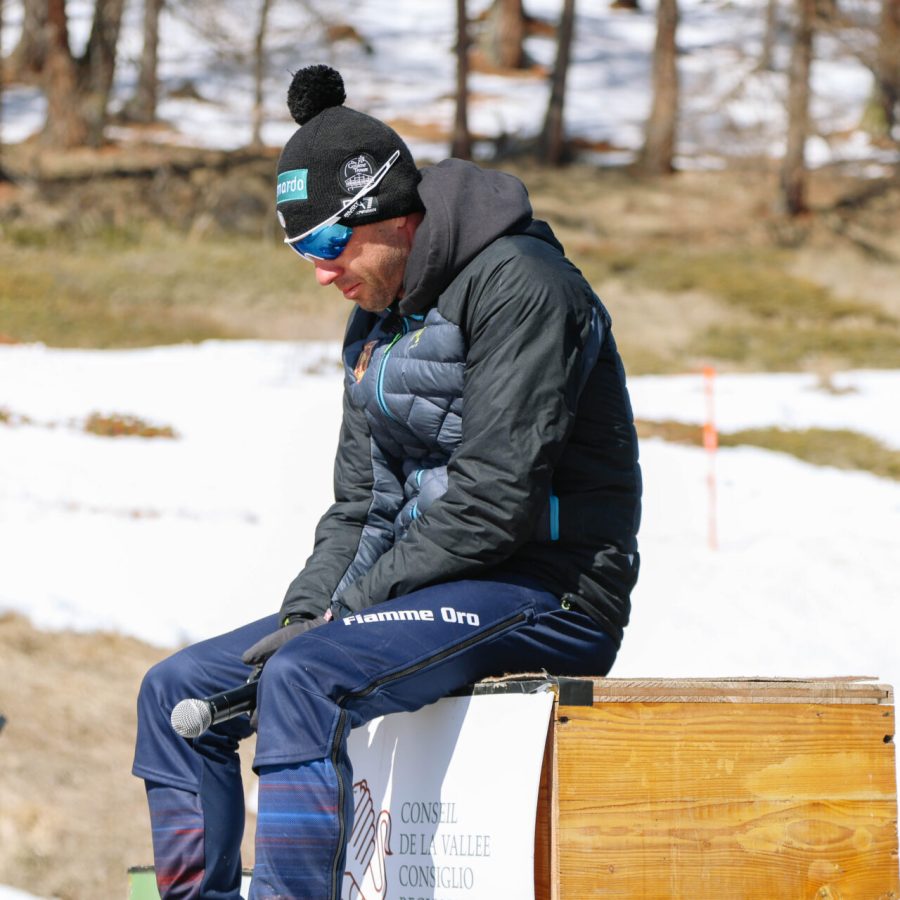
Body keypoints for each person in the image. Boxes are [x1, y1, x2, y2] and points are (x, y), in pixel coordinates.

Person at [133, 64, 641, 900]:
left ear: (391, 215)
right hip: (415, 592)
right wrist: (308, 610)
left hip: (548, 590)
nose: (321, 270)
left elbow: (492, 504)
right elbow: (362, 502)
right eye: (302, 249)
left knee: (304, 675)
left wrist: (337, 618)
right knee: (176, 692)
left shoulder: (526, 287)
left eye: (330, 242)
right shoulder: (378, 318)